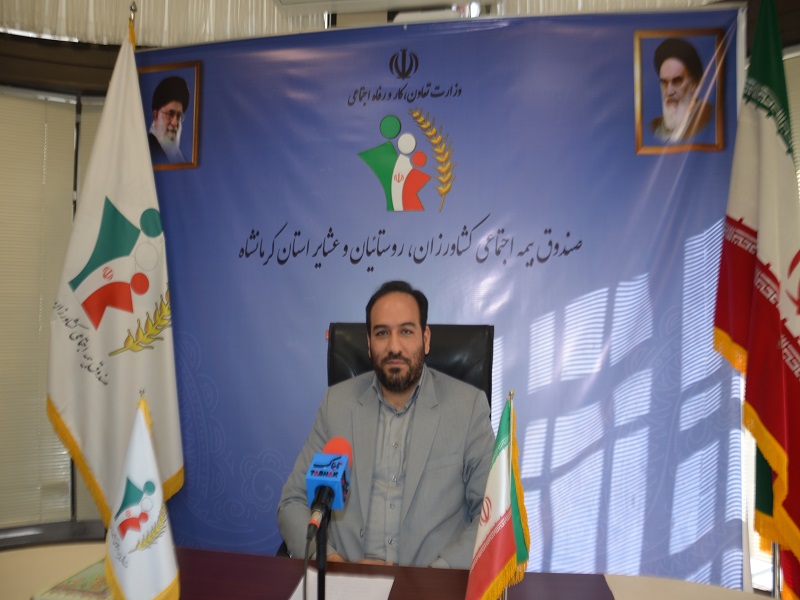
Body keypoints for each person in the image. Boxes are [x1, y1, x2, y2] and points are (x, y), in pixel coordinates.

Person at [277, 280, 495, 569]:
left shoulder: (468, 408)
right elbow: (293, 501)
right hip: (347, 579)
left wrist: (433, 577)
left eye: (406, 331)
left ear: (425, 338)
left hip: (431, 583)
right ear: (369, 344)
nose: (394, 347)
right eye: (382, 333)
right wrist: (334, 563)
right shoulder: (336, 404)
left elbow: (492, 513)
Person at [650, 38, 712, 143]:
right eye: (664, 83)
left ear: (693, 84)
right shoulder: (656, 128)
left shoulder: (709, 119)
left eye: (676, 81)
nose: (669, 91)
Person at [148, 76, 189, 164]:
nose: (175, 122)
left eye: (179, 116)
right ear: (156, 116)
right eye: (170, 114)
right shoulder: (145, 150)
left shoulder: (181, 159)